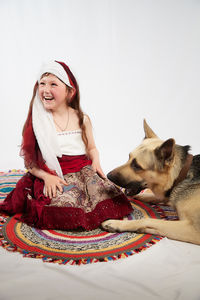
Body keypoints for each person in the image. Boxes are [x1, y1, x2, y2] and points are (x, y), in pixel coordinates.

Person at [0, 60, 132, 230]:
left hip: (83, 171)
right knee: (61, 202)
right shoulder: (37, 123)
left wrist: (96, 162)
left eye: (53, 84)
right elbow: (30, 162)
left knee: (105, 195)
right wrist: (47, 177)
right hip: (53, 172)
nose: (46, 89)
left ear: (70, 91)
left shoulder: (81, 119)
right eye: (42, 84)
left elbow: (91, 148)